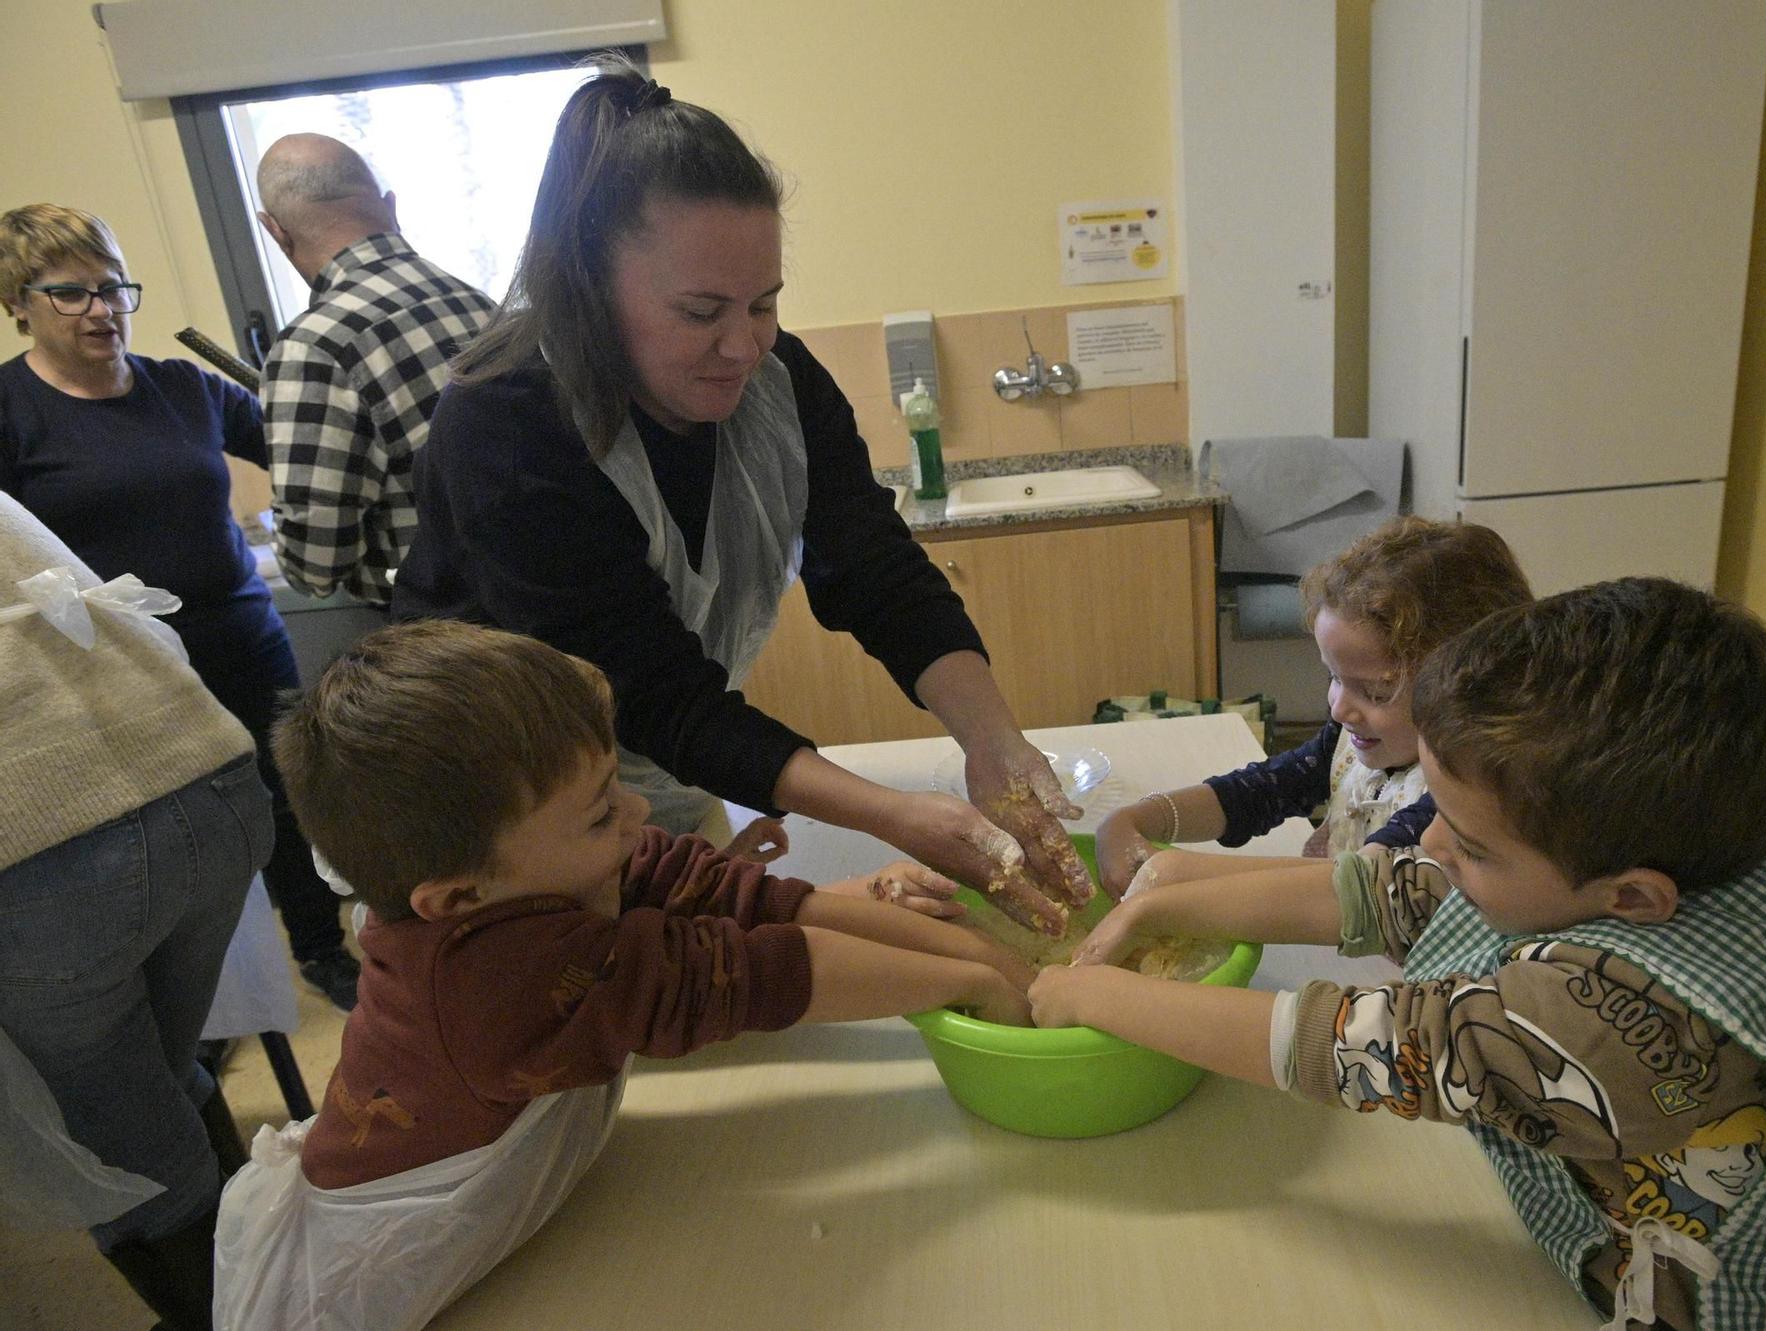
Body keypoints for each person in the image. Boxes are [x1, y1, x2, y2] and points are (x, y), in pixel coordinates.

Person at [1031, 579, 1766, 1331]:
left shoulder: (1614, 1026)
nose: (1432, 842)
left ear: (1633, 898)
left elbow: (1353, 1044)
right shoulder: (1657, 830)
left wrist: (1089, 997)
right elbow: (1393, 888)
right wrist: (1173, 896)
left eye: (1473, 846)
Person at [393, 57, 1088, 938]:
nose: (743, 346)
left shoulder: (781, 381)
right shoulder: (508, 422)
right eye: (700, 312)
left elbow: (875, 568)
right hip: (493, 814)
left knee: (705, 974)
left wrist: (994, 742)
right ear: (592, 287)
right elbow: (654, 690)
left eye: (764, 304)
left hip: (653, 778)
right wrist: (896, 814)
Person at [213, 619, 1034, 1330]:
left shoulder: (532, 870)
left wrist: (943, 935)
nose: (637, 815)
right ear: (458, 898)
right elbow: (743, 973)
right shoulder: (489, 979)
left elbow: (733, 899)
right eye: (604, 810)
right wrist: (975, 980)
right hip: (363, 1281)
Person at [0, 203, 359, 1008]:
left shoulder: (184, 386)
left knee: (284, 797)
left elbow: (297, 446)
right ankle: (207, 997)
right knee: (171, 826)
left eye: (112, 287)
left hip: (240, 633)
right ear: (18, 302)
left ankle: (321, 949)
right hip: (115, 661)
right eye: (71, 293)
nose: (102, 309)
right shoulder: (10, 409)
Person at [0, 490, 273, 1331]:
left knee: (124, 1154)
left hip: (44, 843)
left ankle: (240, 1317)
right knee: (156, 1075)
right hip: (206, 775)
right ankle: (284, 1282)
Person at [1094, 516, 1532, 898]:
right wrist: (1136, 819)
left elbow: (1354, 890)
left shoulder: (1463, 794)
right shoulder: (1356, 740)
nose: (1339, 709)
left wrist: (1171, 875)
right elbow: (1260, 791)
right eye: (1334, 678)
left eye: (1376, 692)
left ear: (1469, 688)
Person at [254, 133, 496, 609]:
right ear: (389, 205)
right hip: (535, 600)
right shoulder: (478, 303)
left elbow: (315, 565)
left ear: (276, 231)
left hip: (445, 626)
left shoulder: (314, 346)